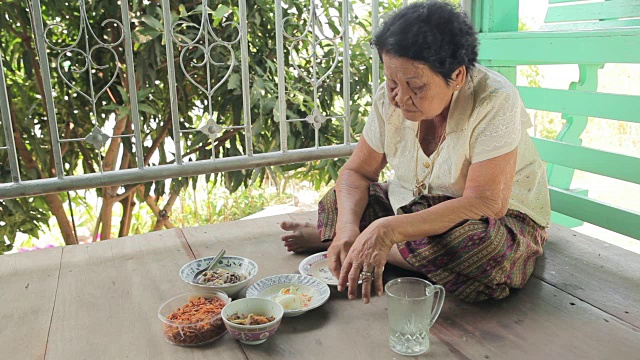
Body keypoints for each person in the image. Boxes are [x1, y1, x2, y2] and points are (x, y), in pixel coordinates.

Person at [280, 0, 550, 304]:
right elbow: (356, 172)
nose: (399, 98)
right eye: (391, 81)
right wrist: (345, 226)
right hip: (415, 207)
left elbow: (486, 203)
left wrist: (385, 231)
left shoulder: (495, 99)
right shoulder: (390, 97)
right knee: (339, 200)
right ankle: (357, 242)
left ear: (457, 76)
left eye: (416, 87)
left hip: (492, 220)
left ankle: (362, 247)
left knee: (481, 250)